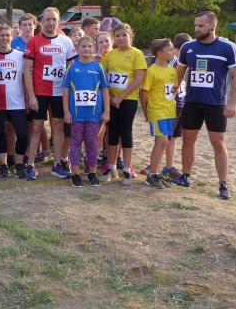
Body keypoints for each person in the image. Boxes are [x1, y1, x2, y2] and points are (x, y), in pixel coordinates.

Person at [174, 11, 236, 199]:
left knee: (218, 143)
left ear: (212, 26)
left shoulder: (228, 47)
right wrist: (174, 91)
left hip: (215, 104)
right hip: (192, 102)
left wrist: (233, 102)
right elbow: (179, 72)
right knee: (188, 140)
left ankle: (223, 184)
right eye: (195, 25)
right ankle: (185, 176)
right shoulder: (188, 47)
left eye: (201, 26)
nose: (196, 29)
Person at [23, 7, 76, 180]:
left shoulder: (66, 41)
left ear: (58, 21)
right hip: (40, 92)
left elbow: (70, 68)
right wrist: (31, 96)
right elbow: (27, 70)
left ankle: (58, 164)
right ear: (41, 21)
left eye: (54, 19)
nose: (51, 23)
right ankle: (30, 164)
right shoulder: (34, 41)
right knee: (36, 127)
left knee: (58, 127)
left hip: (59, 92)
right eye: (47, 19)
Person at [100, 23, 147, 184]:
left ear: (130, 36)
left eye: (124, 35)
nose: (121, 38)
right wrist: (109, 98)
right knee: (112, 132)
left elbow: (139, 78)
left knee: (125, 132)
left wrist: (121, 97)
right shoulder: (110, 54)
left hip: (128, 99)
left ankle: (127, 168)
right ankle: (111, 167)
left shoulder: (137, 54)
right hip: (111, 100)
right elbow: (102, 75)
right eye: (118, 36)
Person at [62, 36, 110, 187]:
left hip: (94, 115)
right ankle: (75, 173)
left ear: (93, 48)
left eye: (89, 46)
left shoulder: (98, 67)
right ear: (77, 49)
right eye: (83, 46)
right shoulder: (72, 68)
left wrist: (107, 111)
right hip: (76, 115)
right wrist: (66, 111)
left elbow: (105, 89)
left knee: (92, 144)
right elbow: (66, 90)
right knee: (75, 143)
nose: (86, 49)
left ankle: (91, 172)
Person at [140, 38, 178, 189]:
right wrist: (146, 112)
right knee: (161, 141)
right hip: (157, 111)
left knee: (165, 142)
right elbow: (144, 93)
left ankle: (155, 173)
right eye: (169, 49)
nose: (173, 52)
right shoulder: (152, 71)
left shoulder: (172, 70)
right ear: (159, 53)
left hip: (169, 111)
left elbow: (173, 90)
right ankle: (152, 174)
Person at [0, 25, 29, 179]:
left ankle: (19, 163)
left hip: (17, 102)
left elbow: (26, 78)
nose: (5, 38)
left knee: (22, 134)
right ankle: (3, 164)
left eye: (7, 35)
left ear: (12, 37)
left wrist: (28, 98)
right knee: (0, 133)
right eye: (2, 35)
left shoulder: (20, 56)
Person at [163, 32, 192, 179]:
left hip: (180, 101)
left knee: (173, 136)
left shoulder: (181, 61)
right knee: (167, 137)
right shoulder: (173, 62)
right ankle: (164, 165)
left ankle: (169, 165)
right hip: (171, 103)